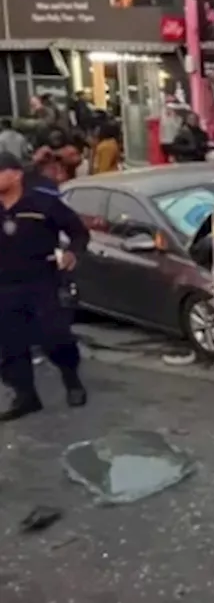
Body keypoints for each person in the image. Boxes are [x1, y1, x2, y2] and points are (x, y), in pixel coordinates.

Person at [0, 150, 90, 420]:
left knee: (54, 336)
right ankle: (25, 395)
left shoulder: (42, 203)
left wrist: (73, 252)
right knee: (10, 345)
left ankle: (72, 380)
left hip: (42, 280)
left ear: (15, 174)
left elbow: (77, 231)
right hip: (5, 286)